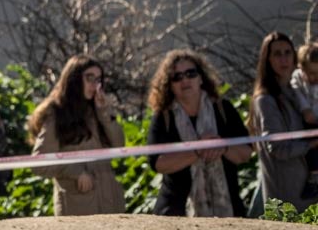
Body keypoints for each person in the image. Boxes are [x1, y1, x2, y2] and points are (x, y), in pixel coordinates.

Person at [146, 49, 253, 217]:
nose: (185, 80)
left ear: (201, 78)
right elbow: (158, 163)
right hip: (176, 214)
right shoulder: (164, 117)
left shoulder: (224, 109)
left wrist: (222, 147)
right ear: (169, 85)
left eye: (191, 73)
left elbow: (246, 153)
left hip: (229, 212)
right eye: (177, 77)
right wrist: (197, 151)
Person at [27, 55, 125, 216]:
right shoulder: (57, 114)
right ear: (74, 79)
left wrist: (104, 114)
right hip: (78, 210)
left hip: (111, 206)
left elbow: (119, 146)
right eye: (89, 78)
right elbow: (39, 163)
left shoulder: (98, 110)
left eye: (98, 79)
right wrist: (75, 171)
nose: (95, 85)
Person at [250, 32, 318, 209]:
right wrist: (312, 144)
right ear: (268, 60)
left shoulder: (298, 93)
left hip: (309, 194)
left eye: (288, 52)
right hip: (284, 197)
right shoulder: (265, 100)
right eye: (277, 54)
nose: (284, 59)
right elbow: (277, 149)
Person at [290, 42, 318, 196]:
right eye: (311, 73)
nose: (314, 77)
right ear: (301, 68)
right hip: (307, 121)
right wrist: (305, 108)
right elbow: (297, 93)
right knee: (310, 148)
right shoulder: (297, 78)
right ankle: (314, 176)